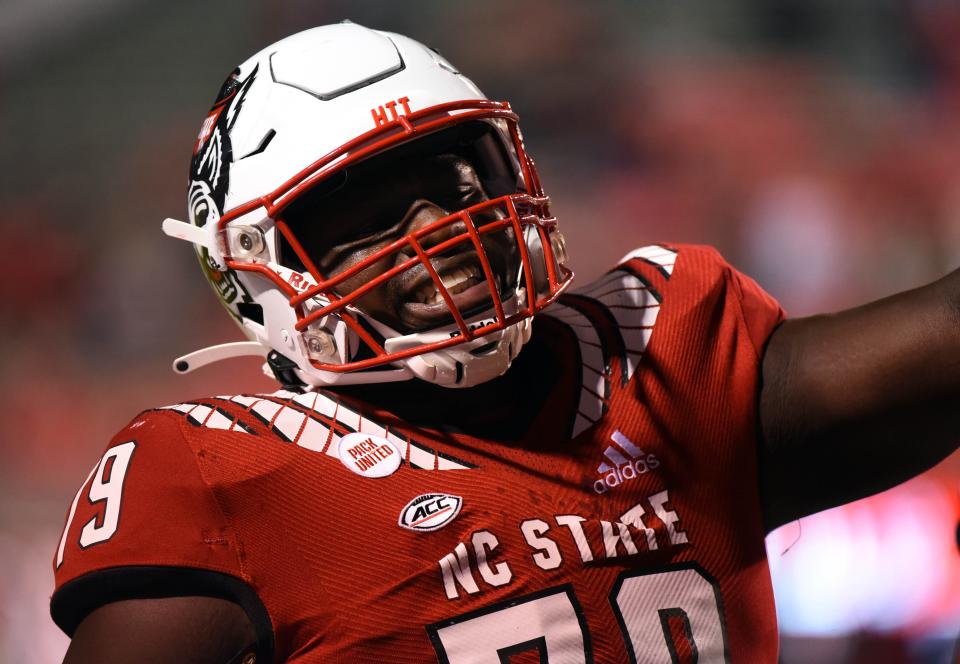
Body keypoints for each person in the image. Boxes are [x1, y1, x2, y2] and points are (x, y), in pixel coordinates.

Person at [50, 22, 960, 663]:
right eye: (367, 215)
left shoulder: (659, 352)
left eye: (457, 177)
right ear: (252, 271)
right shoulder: (222, 479)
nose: (439, 228)